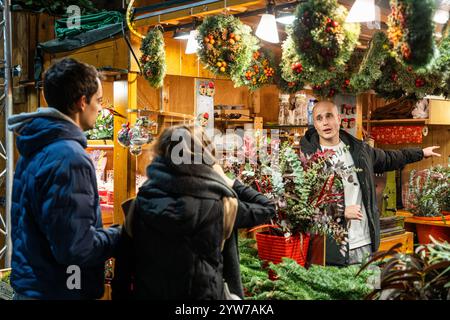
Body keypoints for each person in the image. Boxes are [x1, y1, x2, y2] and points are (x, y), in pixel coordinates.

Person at [111, 125, 275, 300]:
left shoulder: (138, 206)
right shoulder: (223, 206)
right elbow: (267, 208)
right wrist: (228, 181)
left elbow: (122, 276)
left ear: (160, 156)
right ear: (206, 159)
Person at [7, 58, 121, 299]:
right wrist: (122, 234)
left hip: (36, 288)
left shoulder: (39, 145)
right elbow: (76, 249)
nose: (100, 108)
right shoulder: (69, 157)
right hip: (58, 292)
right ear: (82, 102)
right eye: (98, 101)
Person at [300, 101, 441, 266]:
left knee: (373, 289)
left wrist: (421, 153)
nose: (325, 122)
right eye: (319, 118)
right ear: (315, 125)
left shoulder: (359, 150)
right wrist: (340, 210)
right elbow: (303, 207)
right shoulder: (307, 160)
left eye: (329, 116)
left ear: (339, 119)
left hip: (367, 243)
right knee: (339, 291)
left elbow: (389, 158)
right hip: (331, 248)